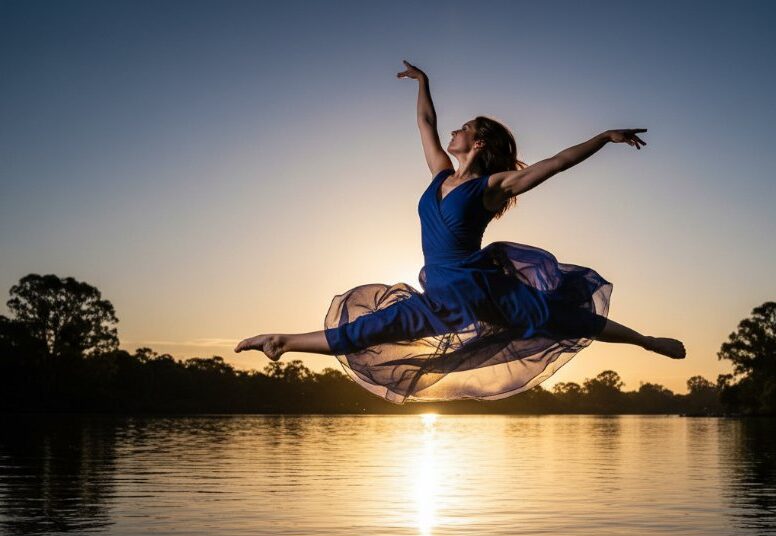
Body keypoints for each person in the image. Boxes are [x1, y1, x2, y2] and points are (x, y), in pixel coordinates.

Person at [235, 60, 685, 403]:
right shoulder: (440, 175)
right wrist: (423, 82)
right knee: (372, 328)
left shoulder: (492, 186)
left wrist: (604, 137)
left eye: (464, 128)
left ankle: (646, 341)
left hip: (477, 287)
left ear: (479, 142)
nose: (455, 130)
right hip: (440, 294)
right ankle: (282, 342)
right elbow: (426, 124)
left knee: (561, 315)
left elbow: (555, 164)